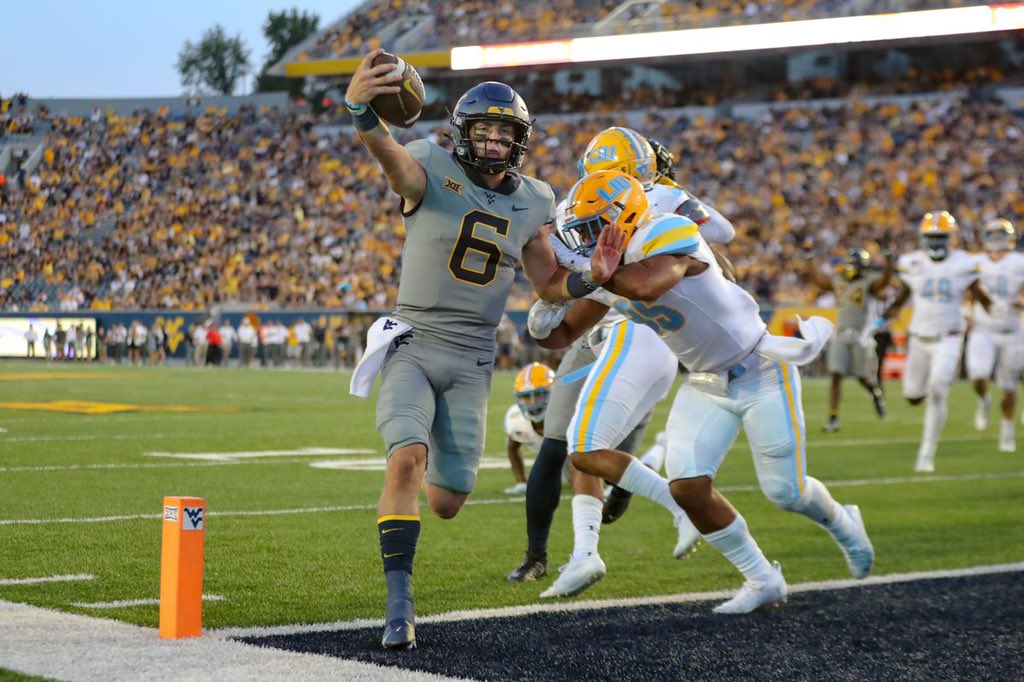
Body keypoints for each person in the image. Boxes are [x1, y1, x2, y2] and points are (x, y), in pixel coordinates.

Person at [344, 50, 617, 650]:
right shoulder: (429, 167)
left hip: (473, 358)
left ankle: (417, 540)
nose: (493, 142)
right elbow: (392, 163)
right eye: (483, 132)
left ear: (518, 141)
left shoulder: (535, 200)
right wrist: (362, 111)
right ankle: (399, 608)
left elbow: (548, 284)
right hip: (414, 340)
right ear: (461, 135)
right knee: (406, 459)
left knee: (445, 502)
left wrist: (593, 277)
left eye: (504, 133)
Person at [531, 170, 874, 612]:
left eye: (598, 227)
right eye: (585, 232)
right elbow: (561, 336)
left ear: (629, 215)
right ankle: (762, 577)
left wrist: (592, 275)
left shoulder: (668, 230)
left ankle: (845, 525)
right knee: (687, 489)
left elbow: (647, 284)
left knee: (785, 493)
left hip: (761, 369)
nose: (591, 240)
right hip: (705, 382)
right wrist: (544, 320)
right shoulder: (607, 271)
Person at [510, 128, 736, 590]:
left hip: (642, 327)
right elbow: (565, 278)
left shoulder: (663, 206)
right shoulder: (580, 208)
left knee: (586, 447)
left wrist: (665, 204)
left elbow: (712, 242)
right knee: (571, 446)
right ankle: (561, 552)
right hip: (612, 319)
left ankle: (640, 518)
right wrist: (558, 299)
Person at [883, 211, 993, 472]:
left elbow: (982, 297)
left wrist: (1001, 312)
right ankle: (929, 422)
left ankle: (926, 452)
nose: (935, 243)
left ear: (951, 239)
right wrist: (884, 316)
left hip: (949, 337)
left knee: (937, 388)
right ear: (922, 239)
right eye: (931, 238)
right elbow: (902, 296)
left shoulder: (964, 264)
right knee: (912, 396)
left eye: (941, 238)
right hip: (919, 339)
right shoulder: (912, 263)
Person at [804, 248, 891, 432]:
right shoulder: (838, 281)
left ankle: (875, 394)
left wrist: (889, 264)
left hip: (862, 334)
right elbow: (818, 281)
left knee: (862, 377)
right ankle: (833, 418)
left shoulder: (869, 283)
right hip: (842, 333)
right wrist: (810, 260)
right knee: (836, 373)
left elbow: (884, 282)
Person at [964, 218, 1024, 452]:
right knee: (977, 375)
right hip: (983, 328)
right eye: (993, 235)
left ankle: (1006, 431)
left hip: (1012, 329)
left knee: (1009, 386)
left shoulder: (1019, 261)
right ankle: (983, 399)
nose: (997, 240)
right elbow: (966, 286)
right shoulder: (976, 261)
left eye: (1001, 235)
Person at [504, 362, 554, 495]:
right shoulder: (517, 420)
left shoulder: (569, 414)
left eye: (537, 395)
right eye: (526, 397)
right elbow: (512, 448)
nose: (531, 402)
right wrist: (521, 481)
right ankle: (521, 484)